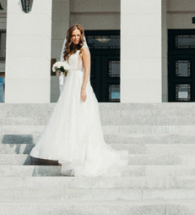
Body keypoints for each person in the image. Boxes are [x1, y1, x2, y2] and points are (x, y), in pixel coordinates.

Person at [30, 25, 128, 177]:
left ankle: (84, 154)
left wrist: (83, 89)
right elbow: (68, 68)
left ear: (81, 36)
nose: (76, 38)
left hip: (79, 83)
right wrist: (62, 70)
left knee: (82, 117)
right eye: (73, 36)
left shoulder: (84, 50)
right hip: (70, 85)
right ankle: (69, 151)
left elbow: (87, 71)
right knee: (69, 118)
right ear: (70, 37)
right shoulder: (69, 51)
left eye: (78, 35)